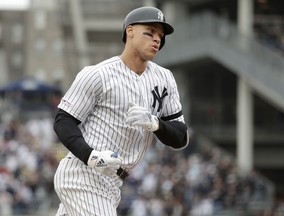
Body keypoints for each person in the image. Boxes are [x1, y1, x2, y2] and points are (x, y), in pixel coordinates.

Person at [53, 6, 189, 216]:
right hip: (82, 175)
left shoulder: (164, 79)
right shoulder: (98, 74)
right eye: (150, 32)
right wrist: (91, 156)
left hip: (112, 183)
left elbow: (180, 137)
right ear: (130, 31)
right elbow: (63, 120)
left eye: (160, 36)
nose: (157, 40)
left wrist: (156, 124)